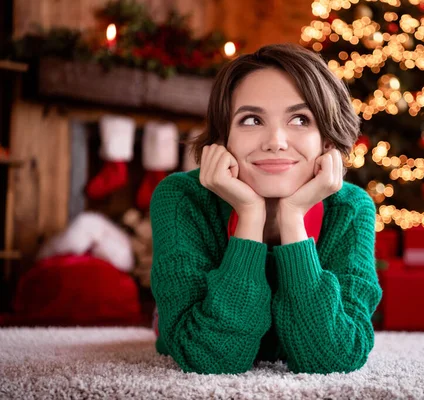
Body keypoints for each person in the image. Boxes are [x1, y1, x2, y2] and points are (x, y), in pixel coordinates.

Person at [150, 42, 382, 375]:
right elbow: (209, 357)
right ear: (222, 139)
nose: (275, 140)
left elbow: (335, 358)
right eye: (251, 120)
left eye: (301, 119)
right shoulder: (180, 198)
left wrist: (292, 220)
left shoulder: (351, 209)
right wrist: (250, 217)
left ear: (327, 141)